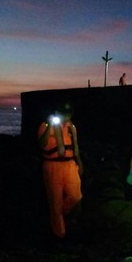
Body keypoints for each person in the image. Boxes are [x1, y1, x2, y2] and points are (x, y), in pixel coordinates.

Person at [37, 103, 83, 241]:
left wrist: (79, 161)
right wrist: (51, 126)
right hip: (52, 166)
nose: (66, 117)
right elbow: (41, 144)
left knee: (76, 196)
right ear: (57, 112)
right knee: (55, 200)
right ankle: (59, 234)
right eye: (63, 114)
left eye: (68, 114)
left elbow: (75, 145)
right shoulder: (45, 126)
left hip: (70, 164)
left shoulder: (71, 127)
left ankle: (64, 213)